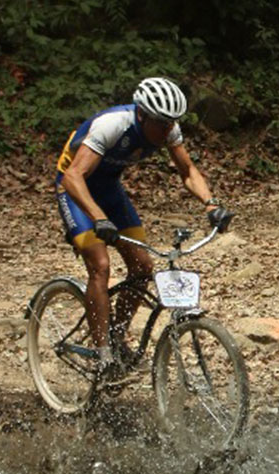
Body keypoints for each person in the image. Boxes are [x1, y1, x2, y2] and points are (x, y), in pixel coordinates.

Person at [53, 77, 233, 380]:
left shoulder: (168, 129)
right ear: (142, 115)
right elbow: (73, 177)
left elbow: (187, 170)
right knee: (100, 264)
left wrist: (211, 204)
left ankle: (115, 336)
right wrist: (98, 218)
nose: (167, 131)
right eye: (161, 124)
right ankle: (103, 355)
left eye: (171, 124)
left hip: (108, 188)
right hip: (75, 189)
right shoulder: (112, 125)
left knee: (142, 266)